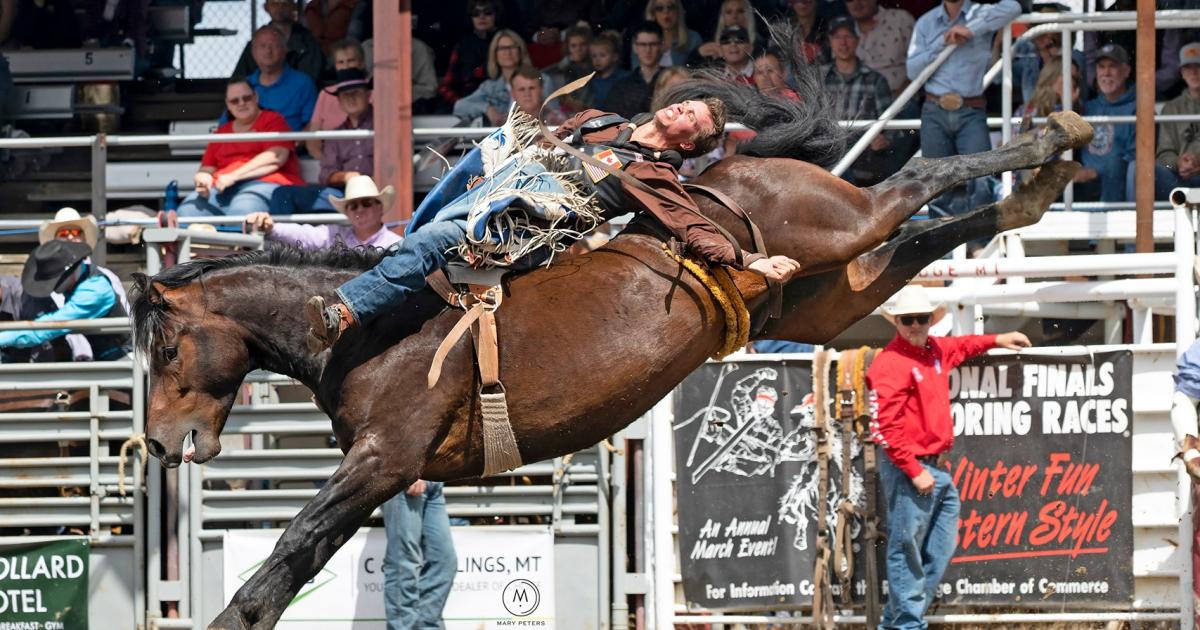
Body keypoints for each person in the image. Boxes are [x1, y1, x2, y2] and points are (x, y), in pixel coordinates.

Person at [304, 100, 803, 351]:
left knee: (434, 241)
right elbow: (547, 137)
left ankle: (342, 314)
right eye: (686, 102)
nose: (681, 108)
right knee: (421, 238)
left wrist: (750, 259)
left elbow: (690, 224)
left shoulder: (652, 173)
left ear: (690, 143)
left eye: (692, 116)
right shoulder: (603, 120)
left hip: (523, 234)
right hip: (488, 198)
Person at [868, 285, 1031, 629]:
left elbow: (963, 345)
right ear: (897, 322)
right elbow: (884, 427)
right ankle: (907, 624)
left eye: (921, 319)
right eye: (908, 320)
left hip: (931, 467)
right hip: (911, 468)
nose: (915, 325)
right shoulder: (890, 364)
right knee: (908, 549)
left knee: (936, 549)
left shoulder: (935, 350)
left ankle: (897, 622)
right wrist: (913, 470)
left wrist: (997, 338)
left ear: (931, 321)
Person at [906, 0, 1020, 218]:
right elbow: (912, 71)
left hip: (971, 109)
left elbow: (1013, 7)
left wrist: (971, 29)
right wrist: (943, 41)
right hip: (934, 109)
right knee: (935, 182)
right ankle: (940, 245)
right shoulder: (926, 22)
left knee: (982, 178)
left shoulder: (981, 12)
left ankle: (979, 245)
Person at [178, 80, 306, 217]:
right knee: (186, 212)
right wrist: (202, 179)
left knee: (242, 211)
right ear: (228, 104)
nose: (241, 103)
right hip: (223, 187)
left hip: (266, 183)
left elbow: (275, 157)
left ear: (256, 97)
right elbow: (207, 168)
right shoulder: (222, 132)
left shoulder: (273, 120)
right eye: (235, 101)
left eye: (246, 98)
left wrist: (234, 176)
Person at [0, 240, 131, 361]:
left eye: (51, 282)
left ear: (68, 275)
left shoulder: (94, 291)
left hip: (128, 359)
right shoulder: (84, 281)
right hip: (109, 359)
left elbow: (47, 327)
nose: (49, 288)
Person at [271, 68, 374, 215]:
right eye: (345, 95)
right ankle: (279, 238)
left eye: (356, 93)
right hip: (343, 194)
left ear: (368, 94)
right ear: (339, 102)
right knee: (282, 194)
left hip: (377, 191)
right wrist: (346, 176)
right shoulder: (335, 135)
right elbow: (326, 175)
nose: (351, 98)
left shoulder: (384, 127)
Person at [822, 16, 896, 185]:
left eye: (848, 36)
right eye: (837, 37)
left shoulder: (876, 80)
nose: (843, 42)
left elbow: (890, 124)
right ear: (830, 41)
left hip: (863, 159)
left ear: (857, 40)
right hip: (827, 155)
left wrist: (883, 139)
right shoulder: (819, 77)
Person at [381, 480, 457, 630]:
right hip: (404, 476)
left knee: (445, 562)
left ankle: (424, 626)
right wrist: (410, 471)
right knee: (404, 562)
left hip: (435, 479)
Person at [249, 176, 401, 251]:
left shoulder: (396, 245)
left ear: (380, 207)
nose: (359, 209)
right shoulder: (334, 235)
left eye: (366, 203)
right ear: (347, 212)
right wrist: (271, 227)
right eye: (353, 205)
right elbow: (304, 234)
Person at [1076, 43, 1135, 205]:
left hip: (1116, 184)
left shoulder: (1137, 109)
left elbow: (1134, 157)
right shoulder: (1088, 107)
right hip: (1086, 184)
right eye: (1101, 67)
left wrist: (1096, 172)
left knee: (1114, 164)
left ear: (1126, 71)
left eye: (1112, 67)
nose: (1106, 73)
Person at [238, 26, 320, 132]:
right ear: (253, 52)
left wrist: (296, 143)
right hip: (248, 147)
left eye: (274, 46)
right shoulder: (242, 86)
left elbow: (313, 123)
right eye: (262, 46)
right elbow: (226, 125)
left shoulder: (303, 83)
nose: (268, 51)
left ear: (285, 50)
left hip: (290, 146)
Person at [304, 38, 371, 159]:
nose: (345, 67)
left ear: (361, 63)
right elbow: (313, 138)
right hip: (330, 162)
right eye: (340, 62)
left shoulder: (374, 91)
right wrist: (328, 163)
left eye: (351, 61)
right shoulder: (325, 94)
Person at [452, 29, 536, 125]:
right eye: (502, 48)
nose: (508, 52)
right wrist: (487, 108)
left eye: (512, 47)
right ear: (495, 54)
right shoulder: (489, 87)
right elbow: (459, 107)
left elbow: (552, 116)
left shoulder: (541, 80)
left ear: (521, 51)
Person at [233, 0, 325, 84]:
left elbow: (310, 79)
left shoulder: (307, 42)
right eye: (274, 4)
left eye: (285, 4)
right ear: (266, 7)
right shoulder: (256, 43)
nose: (280, 8)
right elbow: (240, 78)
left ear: (293, 7)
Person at [1153, 42, 1200, 201]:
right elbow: (1163, 155)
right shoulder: (1171, 108)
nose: (1194, 72)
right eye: (1188, 67)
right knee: (1143, 168)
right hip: (1178, 178)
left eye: (1198, 66)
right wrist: (1178, 163)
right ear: (1182, 72)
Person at [844, 0, 913, 97]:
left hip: (899, 99)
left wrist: (901, 96)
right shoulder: (841, 30)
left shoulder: (900, 19)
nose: (856, 3)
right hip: (856, 102)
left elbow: (920, 64)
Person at [438, 0, 499, 106]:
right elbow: (446, 85)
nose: (481, 17)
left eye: (487, 12)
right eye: (476, 13)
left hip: (500, 104)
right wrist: (461, 104)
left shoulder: (505, 42)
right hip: (467, 104)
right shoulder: (462, 45)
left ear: (496, 15)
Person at [608, 22, 665, 119]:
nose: (648, 50)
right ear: (635, 47)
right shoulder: (622, 86)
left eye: (653, 44)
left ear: (661, 46)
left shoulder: (671, 81)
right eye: (643, 44)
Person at [692, 0, 759, 65]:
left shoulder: (760, 45)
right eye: (729, 12)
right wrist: (698, 53)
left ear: (748, 15)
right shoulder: (711, 45)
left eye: (740, 11)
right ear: (723, 17)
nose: (734, 16)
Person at [644, 0, 701, 67]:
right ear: (653, 13)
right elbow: (637, 74)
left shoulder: (693, 39)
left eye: (671, 7)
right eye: (659, 8)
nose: (666, 11)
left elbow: (696, 73)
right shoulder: (641, 40)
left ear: (678, 11)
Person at [581, 31, 629, 111]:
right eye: (594, 56)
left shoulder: (625, 78)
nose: (597, 60)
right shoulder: (590, 80)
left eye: (602, 55)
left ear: (615, 57)